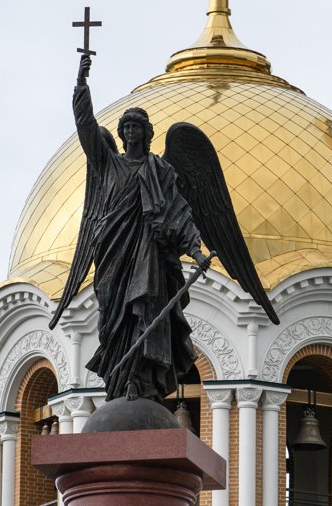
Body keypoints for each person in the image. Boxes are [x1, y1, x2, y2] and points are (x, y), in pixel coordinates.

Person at [68, 54, 210, 402]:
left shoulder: (160, 171)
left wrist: (196, 251)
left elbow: (180, 212)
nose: (131, 133)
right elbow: (86, 128)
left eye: (137, 128)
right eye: (126, 128)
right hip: (113, 256)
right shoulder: (108, 165)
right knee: (114, 320)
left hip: (148, 256)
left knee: (145, 313)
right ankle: (118, 379)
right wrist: (81, 86)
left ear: (147, 134)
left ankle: (138, 378)